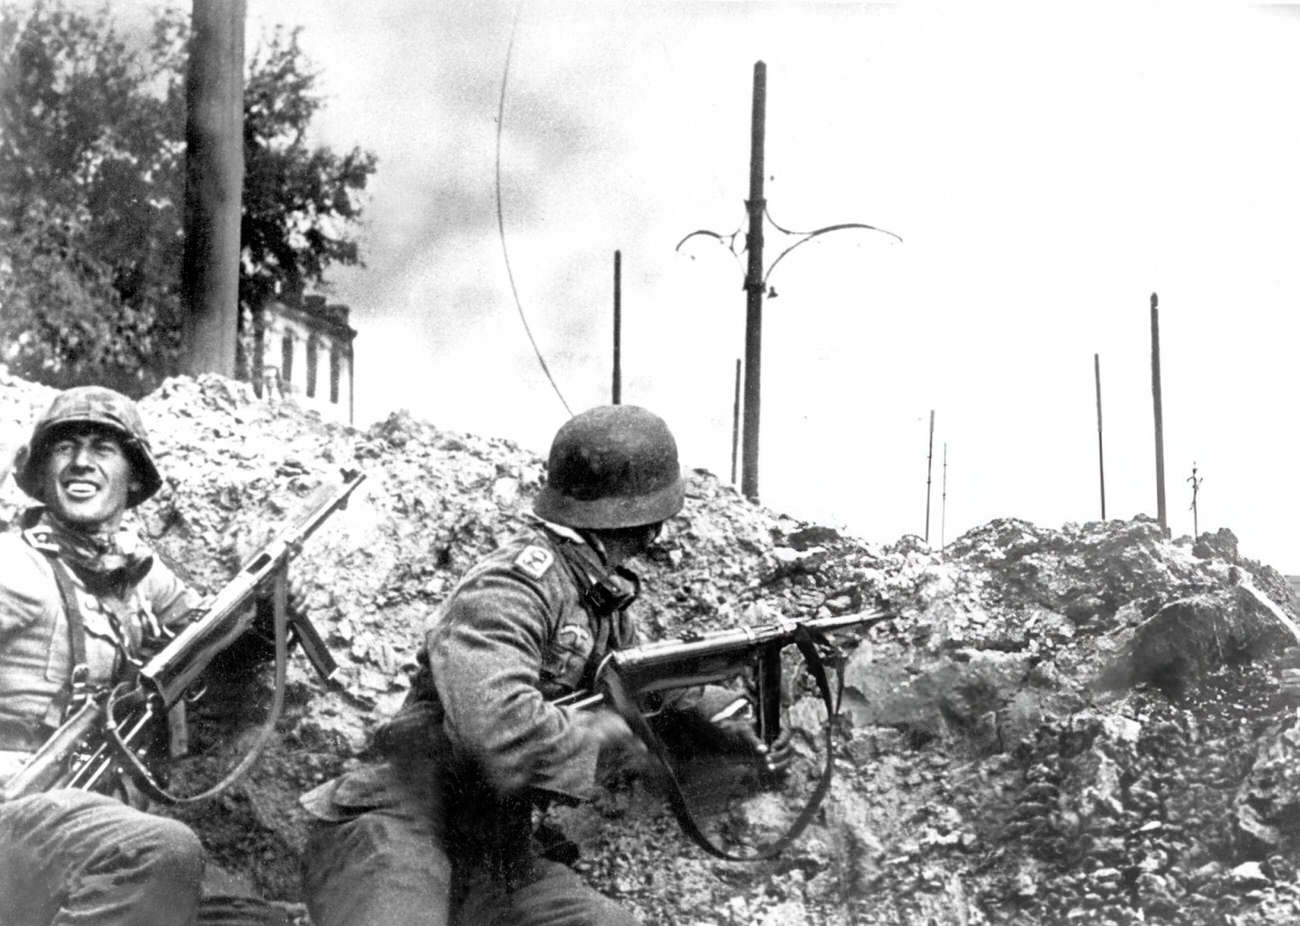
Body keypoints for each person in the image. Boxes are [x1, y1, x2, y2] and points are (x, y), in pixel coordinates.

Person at [300, 404, 789, 926]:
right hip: (399, 827)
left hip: (494, 854)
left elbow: (647, 684)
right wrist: (612, 729)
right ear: (649, 525)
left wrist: (728, 719)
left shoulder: (597, 597)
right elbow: (499, 731)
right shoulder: (511, 587)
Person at [0, 386, 211, 925]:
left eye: (102, 448)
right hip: (14, 814)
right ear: (42, 471)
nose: (80, 463)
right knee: (161, 852)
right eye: (64, 447)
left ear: (134, 477)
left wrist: (270, 617)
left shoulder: (139, 575)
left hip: (83, 823)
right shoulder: (15, 565)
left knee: (247, 915)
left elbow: (210, 643)